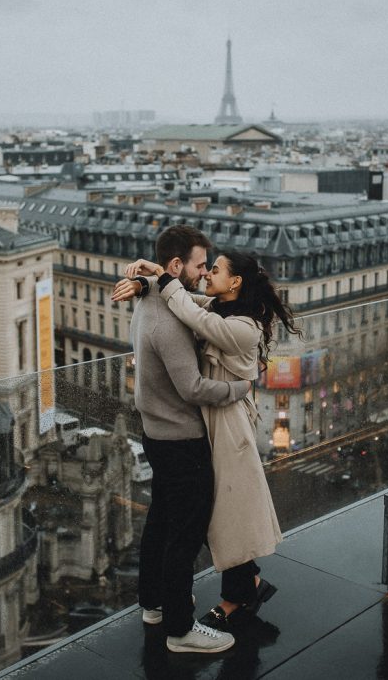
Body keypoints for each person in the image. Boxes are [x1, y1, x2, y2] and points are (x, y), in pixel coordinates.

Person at [113, 249, 300, 628]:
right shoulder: (219, 307)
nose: (208, 273)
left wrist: (160, 279)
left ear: (235, 282)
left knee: (225, 514)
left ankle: (237, 597)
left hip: (229, 425)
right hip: (210, 421)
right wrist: (149, 280)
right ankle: (250, 584)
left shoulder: (242, 326)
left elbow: (190, 312)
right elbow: (187, 302)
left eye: (215, 269)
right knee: (215, 513)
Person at [126, 225, 251, 654]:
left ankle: (154, 605)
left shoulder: (149, 299)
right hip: (181, 439)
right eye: (200, 264)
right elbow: (194, 388)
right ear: (176, 266)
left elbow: (194, 302)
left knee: (160, 523)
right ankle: (181, 630)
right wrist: (240, 389)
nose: (204, 272)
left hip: (156, 433)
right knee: (184, 533)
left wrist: (148, 278)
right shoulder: (168, 323)